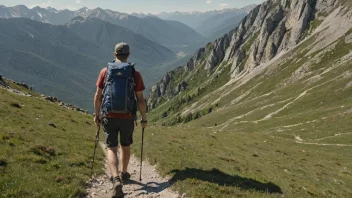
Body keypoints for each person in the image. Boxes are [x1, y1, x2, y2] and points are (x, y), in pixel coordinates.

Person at [94, 42, 147, 197]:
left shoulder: (105, 71)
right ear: (128, 55)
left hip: (109, 115)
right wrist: (144, 119)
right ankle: (124, 173)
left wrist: (97, 115)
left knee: (111, 147)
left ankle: (115, 178)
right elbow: (140, 100)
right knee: (125, 145)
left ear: (114, 54)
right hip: (128, 117)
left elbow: (98, 96)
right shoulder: (134, 73)